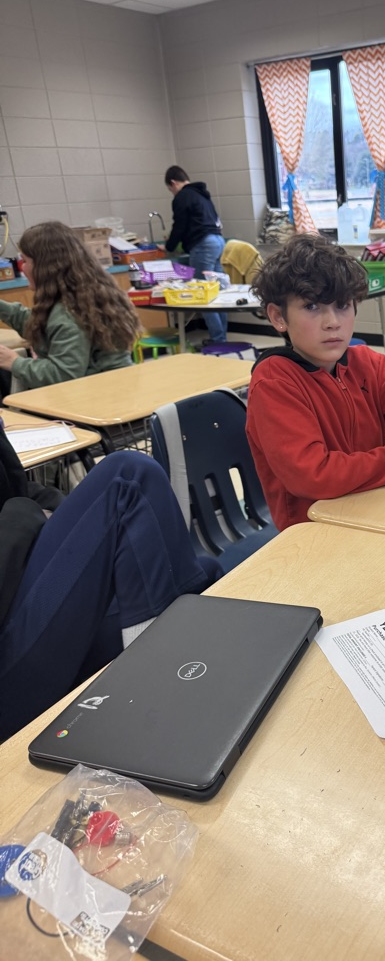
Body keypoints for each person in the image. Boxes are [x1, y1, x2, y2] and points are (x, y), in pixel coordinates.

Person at [0, 426, 222, 743]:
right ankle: (155, 709)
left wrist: (55, 514)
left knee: (203, 574)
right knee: (129, 478)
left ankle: (182, 683)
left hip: (15, 576)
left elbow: (19, 487)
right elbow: (19, 504)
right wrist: (27, 516)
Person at [246, 234, 385, 531]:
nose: (333, 322)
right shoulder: (275, 383)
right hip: (313, 532)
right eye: (312, 307)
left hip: (371, 509)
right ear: (278, 317)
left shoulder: (367, 365)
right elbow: (315, 476)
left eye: (342, 305)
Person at [0, 221, 140, 392]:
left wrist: (13, 361)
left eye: (26, 261)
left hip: (100, 400)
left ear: (45, 267)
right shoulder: (84, 295)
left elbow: (62, 376)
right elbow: (40, 326)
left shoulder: (67, 312)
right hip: (116, 390)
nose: (23, 268)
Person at [163, 165, 227, 344]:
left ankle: (218, 339)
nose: (172, 193)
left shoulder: (182, 197)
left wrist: (169, 246)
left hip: (204, 245)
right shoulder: (201, 194)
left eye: (170, 189)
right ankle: (222, 337)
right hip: (218, 241)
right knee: (216, 291)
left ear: (173, 183)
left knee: (203, 293)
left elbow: (179, 226)